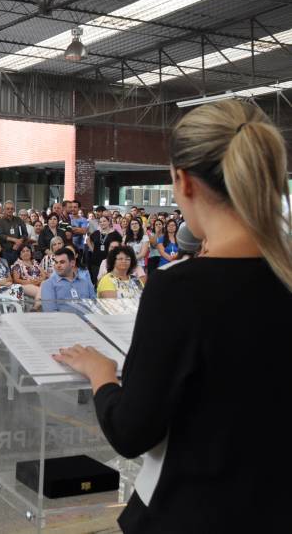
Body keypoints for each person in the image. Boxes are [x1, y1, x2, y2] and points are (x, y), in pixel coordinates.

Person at [53, 100, 292, 532]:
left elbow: (132, 432)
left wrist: (102, 374)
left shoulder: (180, 289)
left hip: (192, 512)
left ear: (183, 182)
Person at [0, 200, 31, 265]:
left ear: (14, 210)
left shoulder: (18, 220)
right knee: (8, 270)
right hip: (6, 251)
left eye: (12, 209)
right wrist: (14, 240)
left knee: (18, 269)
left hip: (18, 250)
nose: (10, 210)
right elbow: (0, 235)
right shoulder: (1, 222)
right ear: (4, 210)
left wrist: (19, 242)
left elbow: (25, 234)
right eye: (8, 209)